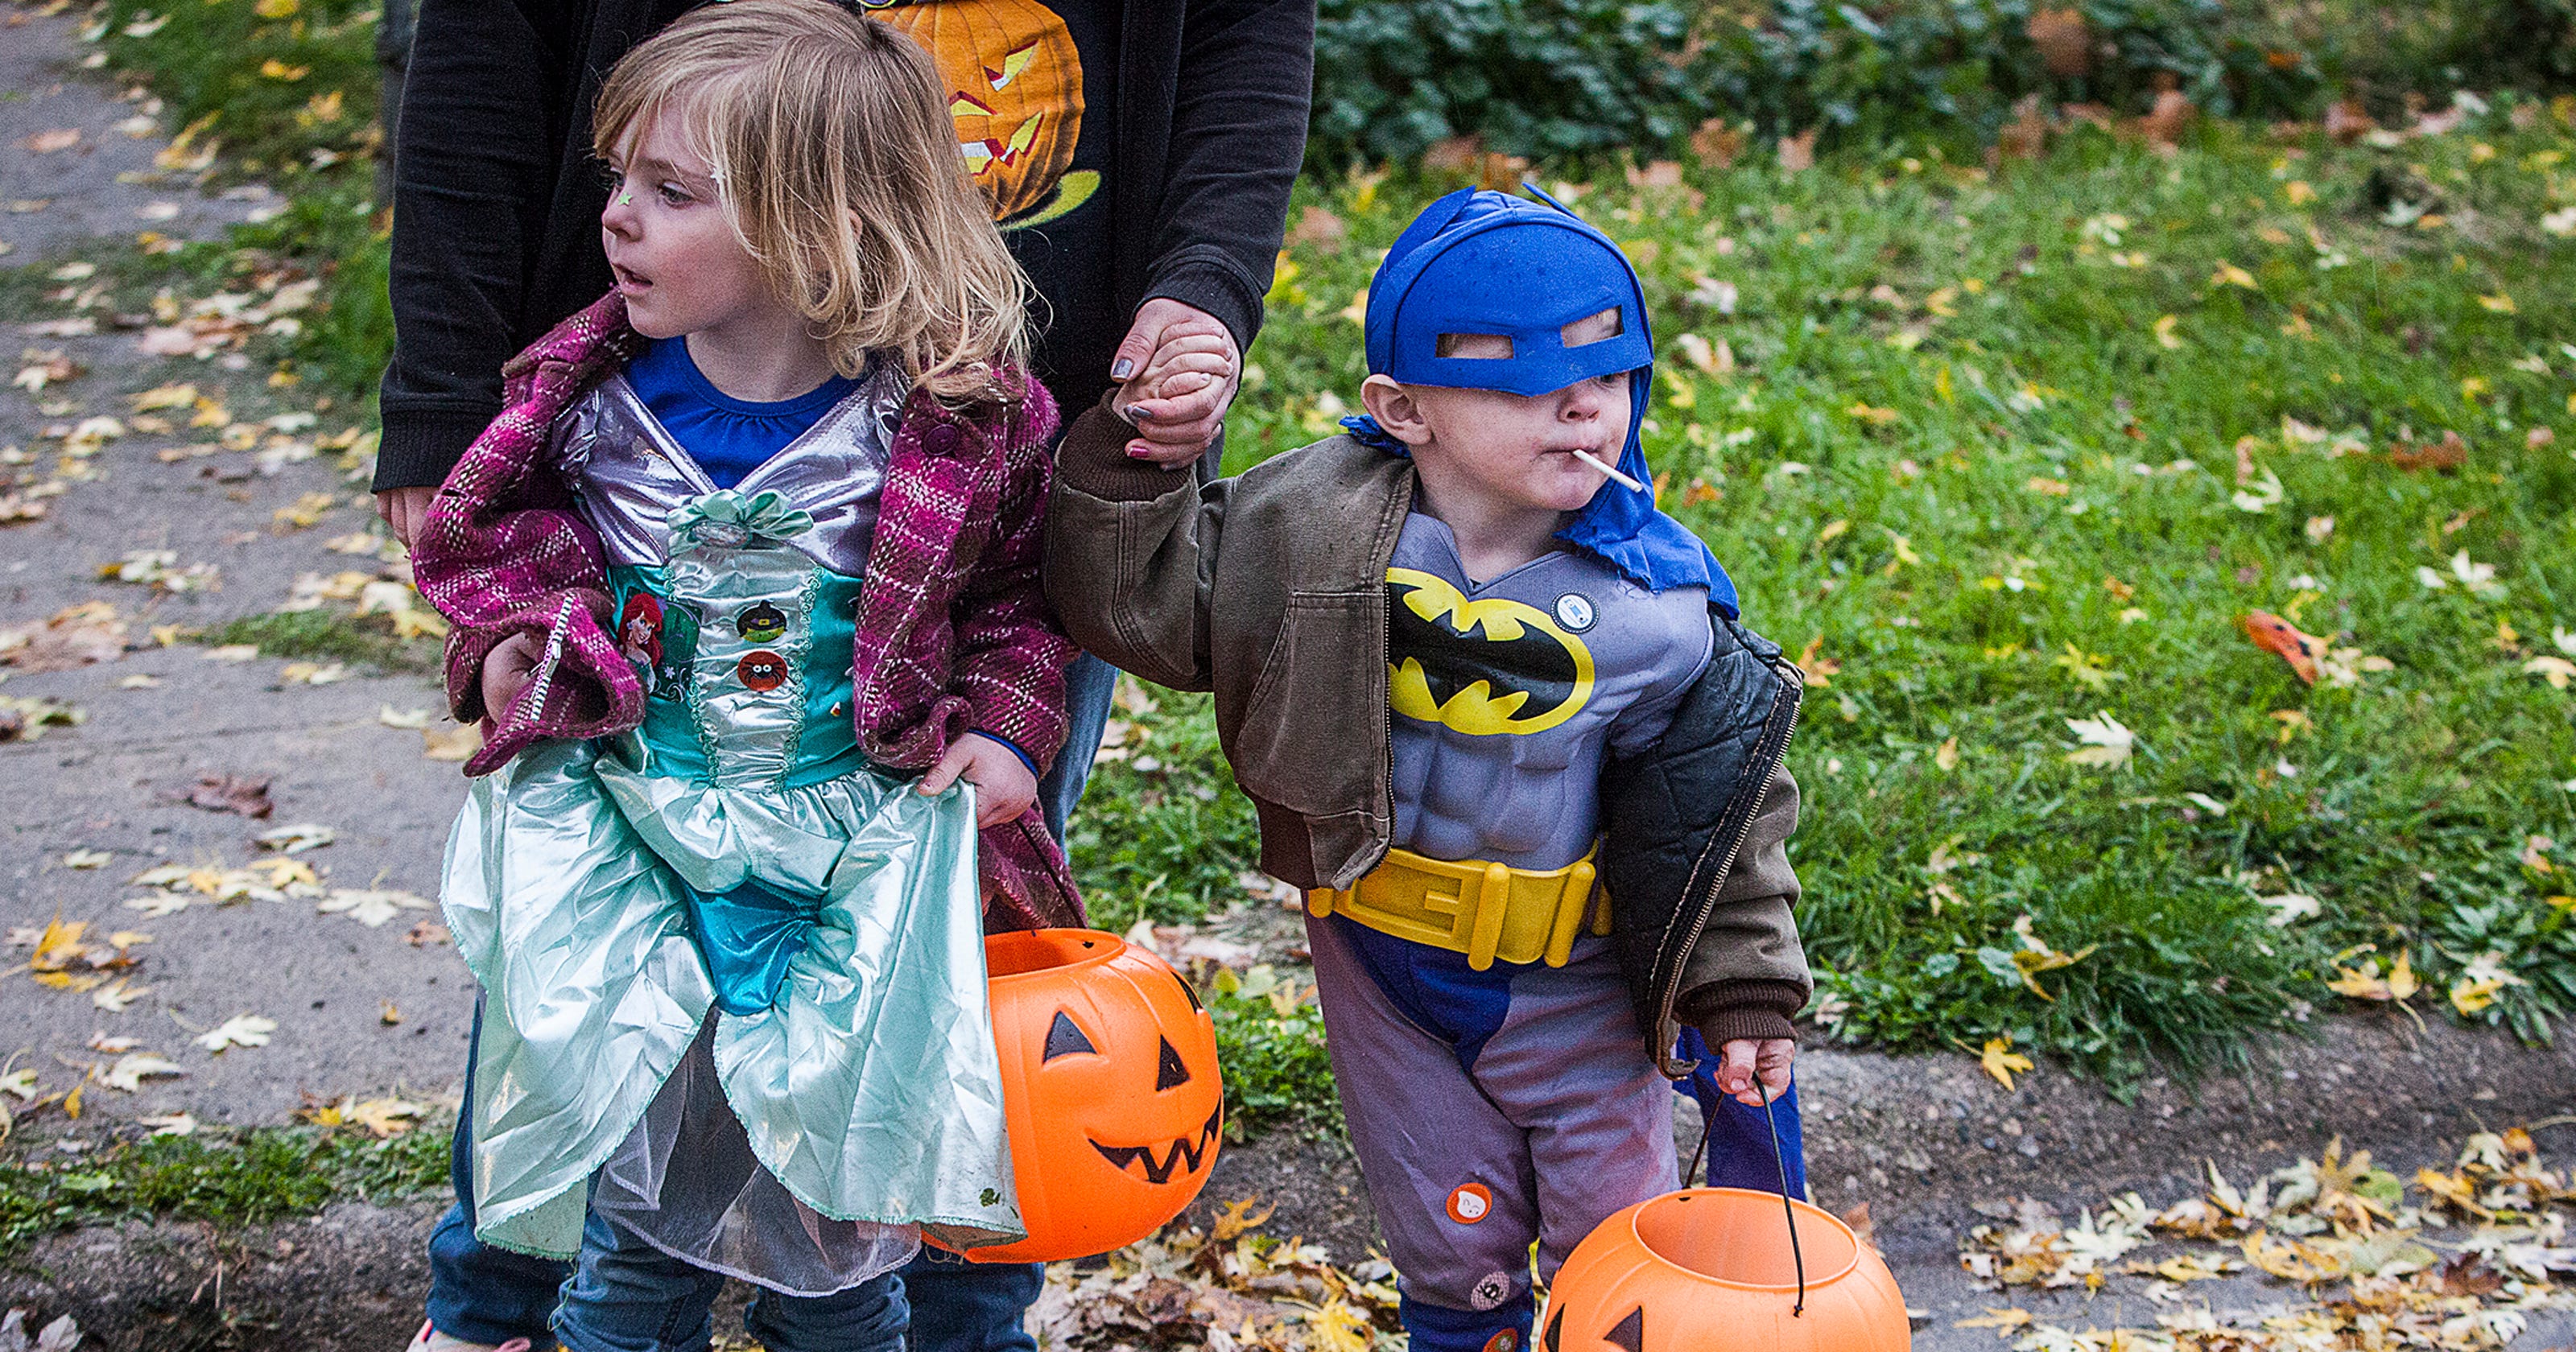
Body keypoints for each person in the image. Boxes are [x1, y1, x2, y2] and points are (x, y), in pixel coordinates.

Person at [374, 0, 1311, 1345]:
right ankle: (493, 1310)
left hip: (864, 877)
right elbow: (512, 553)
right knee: (629, 1239)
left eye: (668, 192)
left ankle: (959, 1325)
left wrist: (1002, 730)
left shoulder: (959, 430)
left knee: (853, 1247)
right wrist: (527, 638)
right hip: (642, 868)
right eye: (617, 183)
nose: (616, 221)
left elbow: (1011, 598)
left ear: (816, 220)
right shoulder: (582, 408)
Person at [1043, 187, 1813, 1352]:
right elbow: (1148, 614)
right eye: (1517, 386)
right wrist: (1137, 461)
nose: (1577, 410)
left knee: (1621, 1253)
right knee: (1452, 1250)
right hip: (1380, 962)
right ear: (1404, 409)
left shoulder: (1661, 607)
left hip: (1581, 983)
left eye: (1606, 380)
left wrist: (1744, 983)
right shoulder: (1308, 526)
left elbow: (1722, 815)